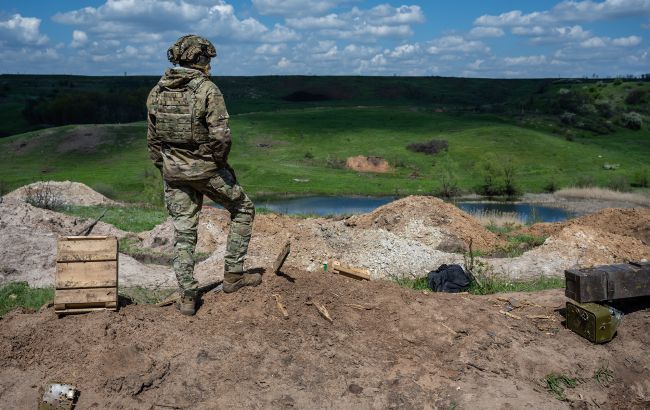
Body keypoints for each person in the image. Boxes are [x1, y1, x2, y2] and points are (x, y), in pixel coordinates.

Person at [146, 34, 260, 316]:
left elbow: (152, 141)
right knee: (243, 209)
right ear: (199, 59)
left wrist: (168, 167)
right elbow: (222, 137)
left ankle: (187, 297)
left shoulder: (157, 91)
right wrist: (216, 163)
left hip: (173, 172)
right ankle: (233, 276)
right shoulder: (208, 90)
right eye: (207, 59)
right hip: (206, 169)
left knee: (184, 232)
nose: (209, 64)